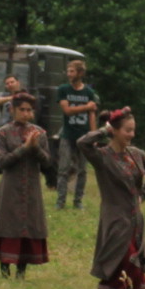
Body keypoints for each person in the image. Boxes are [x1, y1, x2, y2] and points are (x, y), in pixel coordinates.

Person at [78, 107, 145, 289]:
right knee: (124, 267)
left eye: (133, 130)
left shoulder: (137, 154)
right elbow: (82, 143)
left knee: (130, 269)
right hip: (115, 221)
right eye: (127, 130)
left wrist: (143, 195)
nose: (131, 134)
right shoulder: (102, 156)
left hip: (135, 222)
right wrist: (104, 129)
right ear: (114, 130)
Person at [0, 93, 52, 278]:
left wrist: (35, 147)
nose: (26, 113)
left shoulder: (40, 133)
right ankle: (4, 270)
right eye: (22, 109)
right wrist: (24, 148)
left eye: (29, 110)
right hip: (10, 188)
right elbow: (3, 161)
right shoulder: (3, 132)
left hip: (31, 187)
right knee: (7, 227)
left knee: (28, 227)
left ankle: (21, 272)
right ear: (12, 110)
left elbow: (47, 162)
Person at [55, 58, 101, 209]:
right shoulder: (63, 90)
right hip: (67, 134)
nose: (69, 74)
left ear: (80, 73)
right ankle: (60, 201)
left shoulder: (89, 92)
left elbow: (92, 115)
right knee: (63, 168)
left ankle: (78, 201)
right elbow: (67, 111)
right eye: (68, 71)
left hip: (84, 135)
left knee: (82, 170)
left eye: (72, 71)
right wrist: (86, 106)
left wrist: (93, 136)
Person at [0, 74, 25, 177]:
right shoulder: (3, 94)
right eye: (7, 83)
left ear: (18, 82)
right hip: (3, 132)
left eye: (12, 82)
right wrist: (12, 97)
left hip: (18, 132)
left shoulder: (24, 95)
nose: (10, 85)